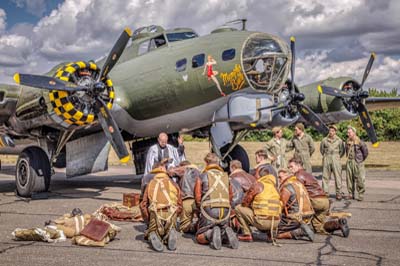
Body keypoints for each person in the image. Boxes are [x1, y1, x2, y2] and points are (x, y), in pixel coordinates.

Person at [288, 158, 349, 237]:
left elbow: (296, 192)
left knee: (294, 209)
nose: (289, 169)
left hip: (315, 201)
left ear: (298, 166)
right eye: (288, 167)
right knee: (318, 227)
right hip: (325, 201)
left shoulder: (298, 176)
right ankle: (338, 224)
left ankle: (293, 229)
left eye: (291, 167)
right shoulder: (309, 174)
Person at [194, 153, 238, 250]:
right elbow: (230, 196)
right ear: (218, 163)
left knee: (199, 237)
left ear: (206, 162)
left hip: (209, 210)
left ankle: (210, 234)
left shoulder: (201, 176)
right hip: (225, 211)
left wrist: (199, 210)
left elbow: (197, 198)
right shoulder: (226, 177)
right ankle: (224, 233)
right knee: (222, 227)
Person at [140, 163, 182, 252]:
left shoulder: (150, 183)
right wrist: (176, 215)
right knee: (170, 226)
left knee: (152, 231)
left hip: (156, 213)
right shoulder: (173, 183)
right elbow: (179, 204)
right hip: (171, 212)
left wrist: (148, 219)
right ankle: (170, 231)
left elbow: (143, 205)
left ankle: (153, 234)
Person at [234, 165, 281, 243]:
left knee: (238, 208)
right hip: (276, 222)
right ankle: (270, 234)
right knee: (270, 210)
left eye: (256, 174)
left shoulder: (258, 185)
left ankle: (247, 235)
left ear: (259, 175)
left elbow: (245, 203)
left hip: (262, 222)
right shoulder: (274, 187)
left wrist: (251, 206)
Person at [276, 168, 315, 241]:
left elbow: (281, 205)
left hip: (294, 217)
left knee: (273, 233)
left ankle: (298, 232)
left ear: (287, 175)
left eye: (280, 177)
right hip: (307, 216)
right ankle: (303, 228)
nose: (279, 180)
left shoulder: (287, 187)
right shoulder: (299, 183)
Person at [168, 161, 201, 234]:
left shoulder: (183, 170)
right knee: (200, 220)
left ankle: (193, 227)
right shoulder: (199, 171)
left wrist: (173, 167)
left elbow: (170, 172)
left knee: (184, 227)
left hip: (186, 200)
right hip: (198, 201)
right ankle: (199, 227)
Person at [320, 125, 345, 199]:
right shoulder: (324, 140)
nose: (331, 132)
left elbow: (342, 151)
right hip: (327, 158)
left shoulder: (339, 140)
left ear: (335, 132)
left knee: (337, 176)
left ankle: (338, 193)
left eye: (333, 131)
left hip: (336, 158)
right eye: (330, 130)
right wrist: (326, 156)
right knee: (325, 176)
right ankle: (325, 192)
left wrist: (336, 157)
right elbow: (321, 150)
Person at [345, 126, 368, 201]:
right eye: (347, 132)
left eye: (349, 132)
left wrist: (360, 160)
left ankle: (360, 194)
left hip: (357, 162)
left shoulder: (360, 141)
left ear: (354, 133)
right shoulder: (347, 141)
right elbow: (346, 150)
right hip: (349, 162)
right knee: (349, 179)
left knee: (359, 179)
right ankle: (351, 194)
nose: (348, 134)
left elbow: (365, 152)